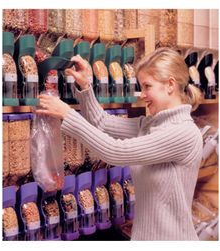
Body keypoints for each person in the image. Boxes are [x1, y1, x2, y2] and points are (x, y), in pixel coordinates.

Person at [37, 47, 203, 240]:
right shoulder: (151, 125)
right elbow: (102, 123)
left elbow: (116, 152)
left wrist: (68, 114)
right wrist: (85, 87)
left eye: (147, 86)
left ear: (170, 85)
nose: (142, 94)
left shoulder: (183, 133)